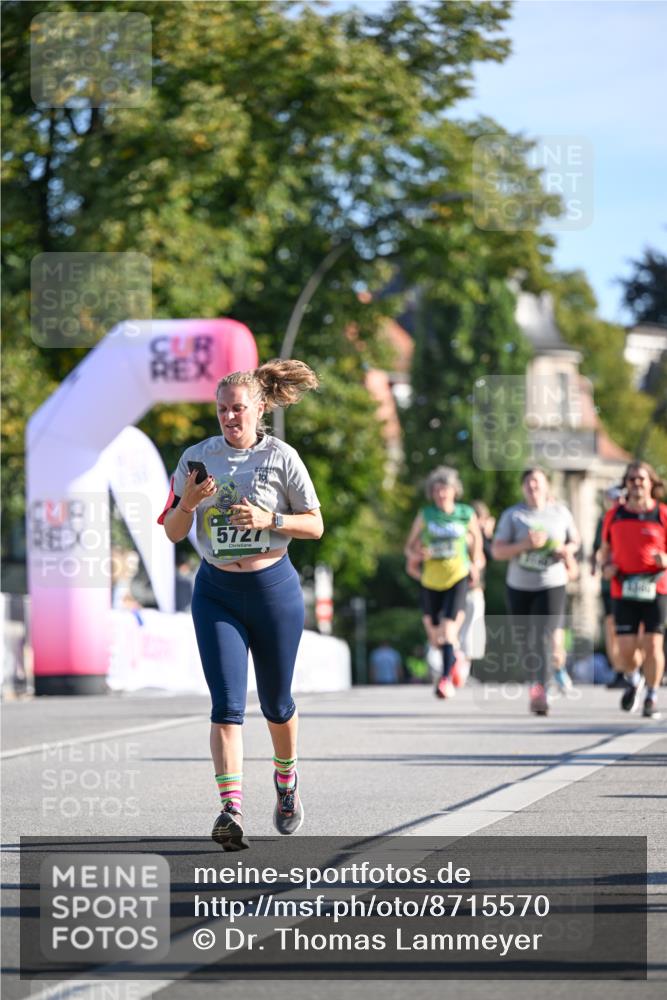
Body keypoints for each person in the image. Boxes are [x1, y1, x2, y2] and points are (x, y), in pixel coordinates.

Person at [158, 359, 323, 849]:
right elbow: (171, 532)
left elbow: (314, 525)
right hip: (217, 595)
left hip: (274, 592)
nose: (231, 418)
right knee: (226, 707)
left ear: (260, 409)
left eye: (239, 410)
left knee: (276, 704)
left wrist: (268, 518)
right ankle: (230, 810)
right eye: (223, 410)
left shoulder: (282, 457)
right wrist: (187, 502)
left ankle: (286, 781)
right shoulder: (195, 457)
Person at [491, 467, 580, 716]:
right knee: (525, 641)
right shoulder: (513, 516)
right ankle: (542, 678)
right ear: (523, 488)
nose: (533, 487)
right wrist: (524, 545)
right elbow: (497, 551)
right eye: (528, 483)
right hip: (519, 586)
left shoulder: (560, 513)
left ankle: (540, 690)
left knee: (544, 636)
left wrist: (565, 550)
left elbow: (576, 541)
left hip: (552, 583)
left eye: (537, 482)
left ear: (547, 485)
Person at [404, 466, 483, 700]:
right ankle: (452, 656)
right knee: (435, 637)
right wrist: (417, 555)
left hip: (457, 576)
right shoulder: (425, 514)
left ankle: (445, 680)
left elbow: (477, 538)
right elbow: (409, 548)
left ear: (454, 491)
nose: (441, 494)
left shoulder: (465, 513)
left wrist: (475, 563)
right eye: (436, 490)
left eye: (445, 489)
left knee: (448, 631)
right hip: (430, 580)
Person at [599, 461, 667, 718]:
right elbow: (603, 552)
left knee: (652, 644)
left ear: (651, 483)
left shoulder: (662, 514)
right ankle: (633, 678)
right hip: (623, 586)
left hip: (656, 585)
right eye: (631, 480)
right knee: (626, 651)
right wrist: (606, 568)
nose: (636, 484)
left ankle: (651, 695)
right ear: (625, 484)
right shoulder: (614, 515)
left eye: (641, 479)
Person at [591, 486, 636, 688]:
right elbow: (596, 550)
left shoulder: (636, 517)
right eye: (612, 498)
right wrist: (598, 566)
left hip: (635, 582)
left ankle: (635, 668)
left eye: (621, 497)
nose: (617, 501)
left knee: (638, 628)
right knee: (612, 626)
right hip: (610, 583)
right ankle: (619, 670)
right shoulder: (605, 520)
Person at [458, 500, 495, 668]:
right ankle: (460, 670)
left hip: (471, 589)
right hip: (466, 589)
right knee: (466, 631)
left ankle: (462, 670)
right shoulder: (469, 537)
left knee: (469, 632)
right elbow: (490, 554)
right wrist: (486, 534)